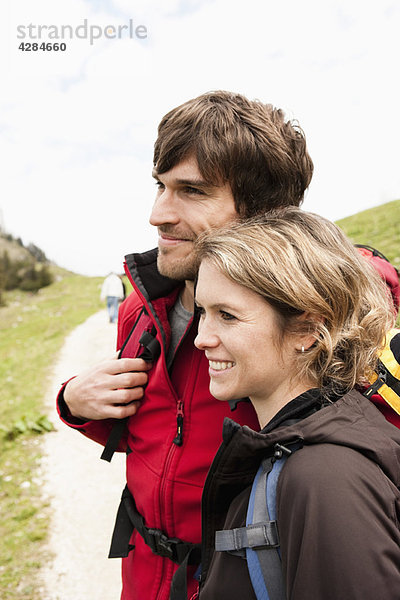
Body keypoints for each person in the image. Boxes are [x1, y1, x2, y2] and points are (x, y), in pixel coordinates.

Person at [56, 90, 313, 600]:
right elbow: (157, 434)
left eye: (191, 191)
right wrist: (76, 403)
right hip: (144, 572)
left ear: (264, 212)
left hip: (242, 582)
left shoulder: (308, 322)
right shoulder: (142, 307)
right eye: (161, 186)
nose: (157, 214)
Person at [193, 207, 400, 600]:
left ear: (307, 329)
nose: (202, 337)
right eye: (204, 312)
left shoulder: (325, 478)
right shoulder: (300, 446)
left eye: (227, 316)